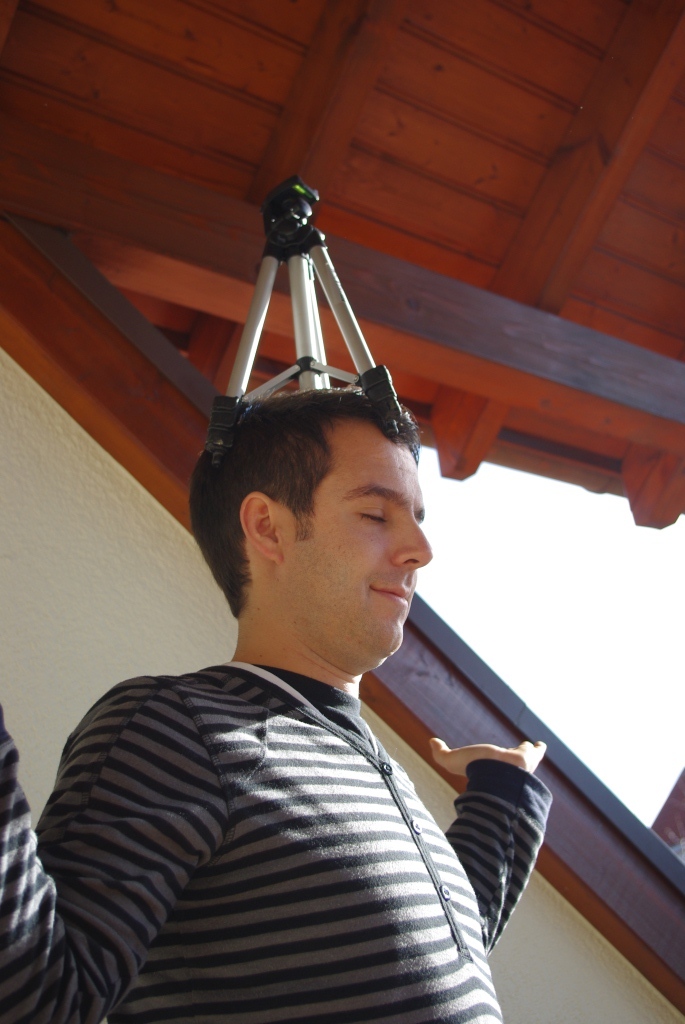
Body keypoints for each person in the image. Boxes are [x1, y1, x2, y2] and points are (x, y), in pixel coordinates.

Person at [0, 387, 551, 1023]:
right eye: (376, 514)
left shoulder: (371, 769)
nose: (421, 549)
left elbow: (433, 955)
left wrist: (503, 796)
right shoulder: (181, 729)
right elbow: (36, 997)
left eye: (418, 518)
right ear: (267, 527)